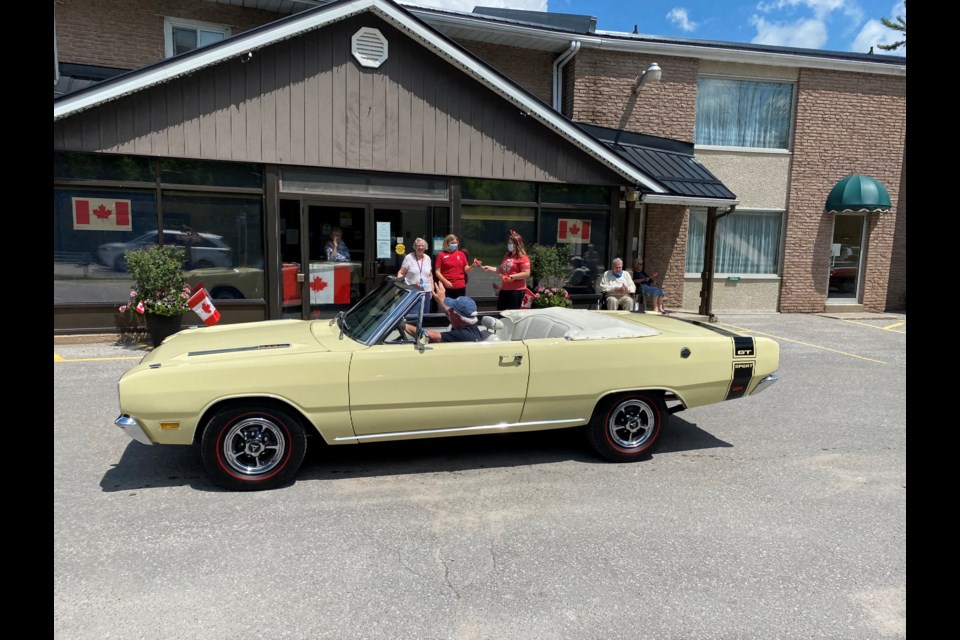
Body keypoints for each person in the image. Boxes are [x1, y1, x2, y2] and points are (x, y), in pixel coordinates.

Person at [405, 281, 482, 343]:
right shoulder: (469, 327)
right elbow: (450, 314)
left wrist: (403, 325)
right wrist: (441, 300)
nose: (448, 309)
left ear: (457, 316)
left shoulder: (463, 335)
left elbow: (430, 336)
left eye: (451, 309)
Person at [475, 229, 531, 310]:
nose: (509, 245)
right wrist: (489, 267)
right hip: (505, 289)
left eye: (511, 243)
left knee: (513, 314)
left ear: (517, 245)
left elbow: (526, 273)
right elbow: (502, 270)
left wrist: (511, 277)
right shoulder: (507, 256)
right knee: (500, 311)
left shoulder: (523, 257)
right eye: (508, 243)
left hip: (516, 291)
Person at [434, 233, 473, 299]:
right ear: (447, 243)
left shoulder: (461, 254)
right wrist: (445, 281)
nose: (454, 244)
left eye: (456, 243)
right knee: (449, 307)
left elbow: (466, 269)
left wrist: (473, 266)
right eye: (452, 243)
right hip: (447, 286)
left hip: (460, 286)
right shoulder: (441, 255)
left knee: (459, 307)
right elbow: (437, 272)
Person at [397, 237, 433, 307]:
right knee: (413, 315)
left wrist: (431, 288)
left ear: (425, 247)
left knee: (425, 315)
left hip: (426, 291)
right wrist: (403, 286)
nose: (420, 247)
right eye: (418, 246)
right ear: (414, 247)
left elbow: (430, 274)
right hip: (412, 292)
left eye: (423, 246)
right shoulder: (409, 257)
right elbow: (401, 273)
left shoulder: (428, 258)